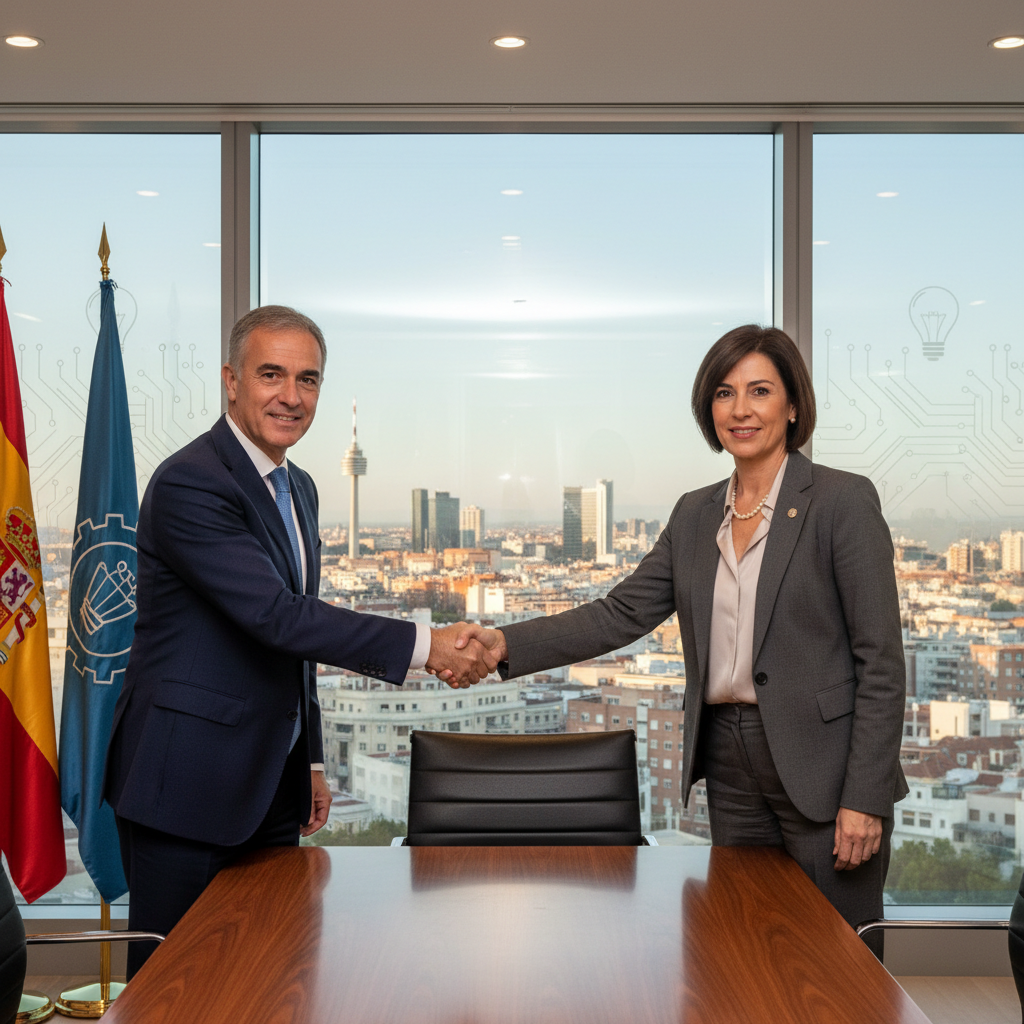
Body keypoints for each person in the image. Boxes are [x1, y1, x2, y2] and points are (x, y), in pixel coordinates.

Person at [449, 324, 907, 950]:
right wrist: (504, 644)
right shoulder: (696, 512)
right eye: (724, 393)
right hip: (728, 756)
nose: (741, 409)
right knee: (744, 943)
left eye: (760, 391)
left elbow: (880, 663)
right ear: (708, 408)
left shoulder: (841, 501)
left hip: (823, 763)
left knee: (839, 957)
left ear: (793, 404)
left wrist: (866, 796)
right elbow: (620, 614)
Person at [105, 305, 495, 978]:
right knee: (177, 991)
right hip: (188, 783)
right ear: (231, 381)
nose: (292, 396)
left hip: (270, 783)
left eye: (308, 379)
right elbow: (277, 617)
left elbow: (295, 638)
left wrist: (310, 757)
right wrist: (428, 646)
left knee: (266, 977)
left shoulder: (300, 487)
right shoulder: (191, 482)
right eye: (272, 375)